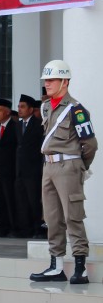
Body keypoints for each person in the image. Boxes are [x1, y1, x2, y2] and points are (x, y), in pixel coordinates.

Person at [30, 60, 97, 284]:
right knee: (52, 217)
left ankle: (80, 267)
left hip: (68, 166)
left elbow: (90, 144)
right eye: (46, 80)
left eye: (51, 80)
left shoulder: (76, 110)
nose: (47, 84)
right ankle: (56, 265)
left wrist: (80, 166)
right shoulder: (47, 106)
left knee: (73, 216)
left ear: (64, 82)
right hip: (48, 166)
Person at [15, 94, 45, 239]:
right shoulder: (18, 125)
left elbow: (41, 150)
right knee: (22, 202)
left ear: (31, 109)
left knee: (34, 201)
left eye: (22, 107)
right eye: (18, 107)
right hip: (20, 171)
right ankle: (25, 229)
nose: (19, 109)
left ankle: (37, 228)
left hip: (33, 171)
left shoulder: (39, 125)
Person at [0, 98, 18, 237]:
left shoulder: (15, 127)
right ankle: (1, 227)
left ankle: (14, 227)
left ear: (7, 112)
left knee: (10, 199)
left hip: (10, 170)